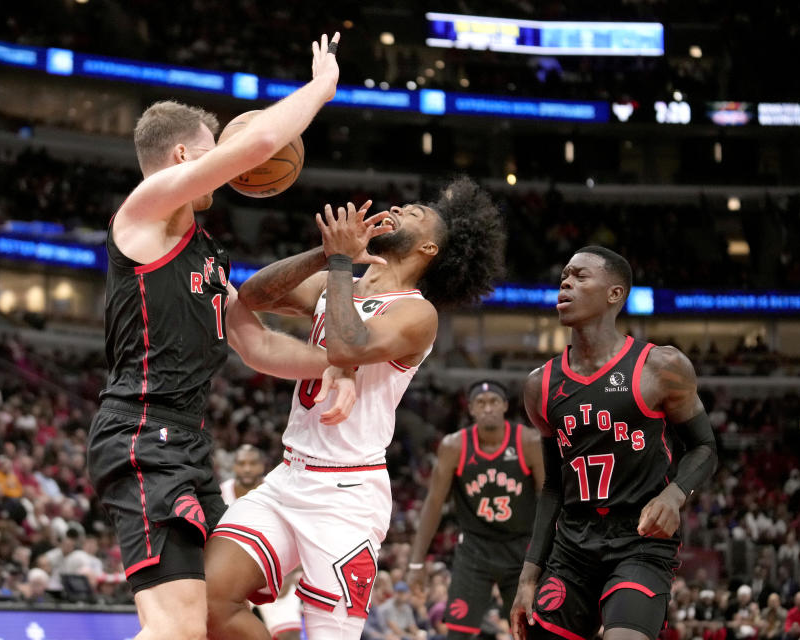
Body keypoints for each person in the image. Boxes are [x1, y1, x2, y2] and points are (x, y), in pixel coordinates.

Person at [86, 31, 351, 640]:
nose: (235, 168)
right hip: (141, 432)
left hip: (185, 441)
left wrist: (332, 362)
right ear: (184, 157)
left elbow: (255, 344)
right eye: (215, 154)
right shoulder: (144, 211)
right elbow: (260, 139)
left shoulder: (207, 254)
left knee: (217, 615)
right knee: (177, 626)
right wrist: (320, 88)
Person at [206, 176, 507, 640]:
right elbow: (253, 296)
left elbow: (348, 345)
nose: (402, 208)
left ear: (428, 249)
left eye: (416, 213)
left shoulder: (416, 313)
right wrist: (325, 255)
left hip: (346, 493)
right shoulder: (336, 280)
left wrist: (342, 262)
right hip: (287, 476)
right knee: (210, 599)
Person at [510, 245, 718, 640]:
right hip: (571, 550)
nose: (565, 282)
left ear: (615, 294)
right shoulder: (540, 386)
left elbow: (705, 447)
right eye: (563, 277)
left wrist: (675, 494)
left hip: (640, 543)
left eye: (580, 275)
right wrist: (528, 576)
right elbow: (554, 486)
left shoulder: (661, 366)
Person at [407, 380, 544, 638]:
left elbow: (549, 497)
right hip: (474, 549)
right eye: (481, 403)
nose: (488, 408)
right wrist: (416, 563)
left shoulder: (528, 441)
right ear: (471, 409)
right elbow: (434, 502)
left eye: (494, 401)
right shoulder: (454, 446)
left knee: (530, 631)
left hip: (521, 549)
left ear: (505, 405)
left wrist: (549, 554)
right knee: (458, 633)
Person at [220, 445, 303, 640]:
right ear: (234, 467)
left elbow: (298, 534)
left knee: (289, 635)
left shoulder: (279, 491)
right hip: (233, 579)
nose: (247, 469)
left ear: (262, 466)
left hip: (274, 574)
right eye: (242, 464)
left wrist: (289, 575)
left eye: (253, 463)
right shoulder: (220, 493)